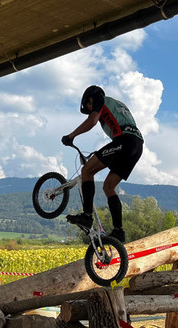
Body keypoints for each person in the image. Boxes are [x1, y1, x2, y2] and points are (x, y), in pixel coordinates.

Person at [61, 85, 144, 243]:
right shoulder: (118, 104)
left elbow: (92, 121)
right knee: (108, 186)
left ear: (91, 99)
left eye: (89, 105)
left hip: (124, 141)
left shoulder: (100, 99)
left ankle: (86, 216)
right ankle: (118, 231)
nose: (90, 109)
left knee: (87, 170)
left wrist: (71, 136)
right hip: (137, 145)